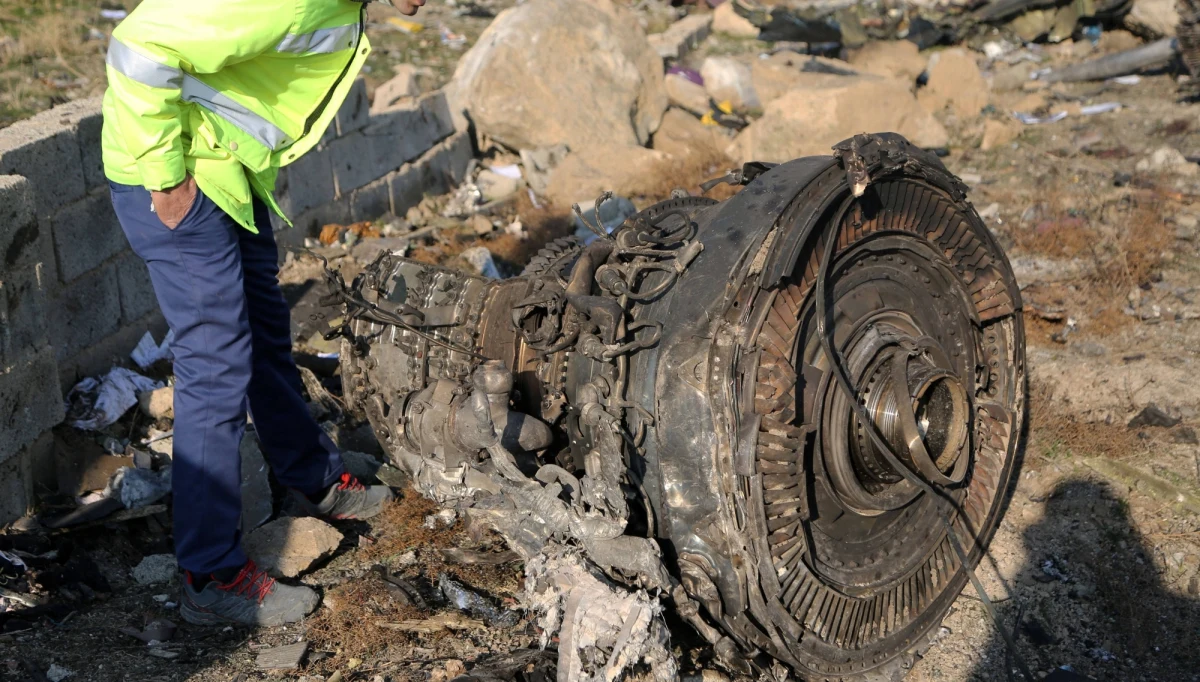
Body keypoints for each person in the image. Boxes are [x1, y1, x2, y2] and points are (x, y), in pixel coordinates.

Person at [100, 0, 425, 626]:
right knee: (214, 368)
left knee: (267, 337)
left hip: (221, 174)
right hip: (176, 181)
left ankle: (315, 477)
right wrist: (167, 178)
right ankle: (211, 574)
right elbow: (137, 48)